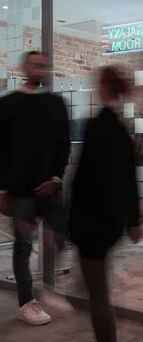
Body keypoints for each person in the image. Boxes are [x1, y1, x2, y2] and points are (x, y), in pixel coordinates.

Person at [69, 66, 143, 342]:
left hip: (92, 222)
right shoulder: (122, 132)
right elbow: (129, 179)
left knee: (99, 297)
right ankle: (79, 286)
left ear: (103, 88)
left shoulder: (96, 126)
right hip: (110, 222)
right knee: (95, 284)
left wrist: (70, 219)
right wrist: (134, 220)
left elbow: (82, 180)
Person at [0, 51, 71, 325]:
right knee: (23, 245)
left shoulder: (56, 104)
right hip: (20, 190)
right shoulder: (8, 105)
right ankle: (26, 301)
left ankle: (47, 287)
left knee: (59, 235)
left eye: (44, 66)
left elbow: (63, 144)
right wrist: (3, 190)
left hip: (51, 186)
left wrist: (56, 178)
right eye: (36, 65)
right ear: (25, 68)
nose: (40, 70)